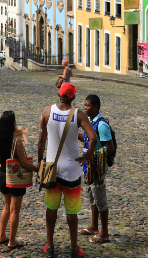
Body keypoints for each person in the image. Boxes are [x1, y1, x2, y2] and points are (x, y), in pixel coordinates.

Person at [37, 83, 97, 258]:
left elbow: (41, 141)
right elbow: (92, 138)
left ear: (59, 94)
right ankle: (73, 248)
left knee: (51, 209)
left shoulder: (47, 112)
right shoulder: (78, 115)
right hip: (71, 170)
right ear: (73, 97)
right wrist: (86, 157)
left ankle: (50, 246)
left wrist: (41, 160)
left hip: (52, 169)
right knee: (72, 212)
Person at [0, 111, 38, 250]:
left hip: (2, 173)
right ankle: (12, 241)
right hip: (15, 177)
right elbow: (24, 162)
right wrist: (37, 169)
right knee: (15, 211)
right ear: (13, 124)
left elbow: (2, 153)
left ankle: (2, 235)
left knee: (6, 207)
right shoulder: (17, 141)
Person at [79, 94, 115, 244]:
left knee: (100, 198)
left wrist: (93, 155)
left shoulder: (101, 125)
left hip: (97, 168)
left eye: (87, 105)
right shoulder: (90, 123)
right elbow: (88, 139)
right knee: (92, 196)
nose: (85, 108)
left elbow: (109, 147)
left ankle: (104, 232)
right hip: (89, 167)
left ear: (95, 107)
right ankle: (94, 226)